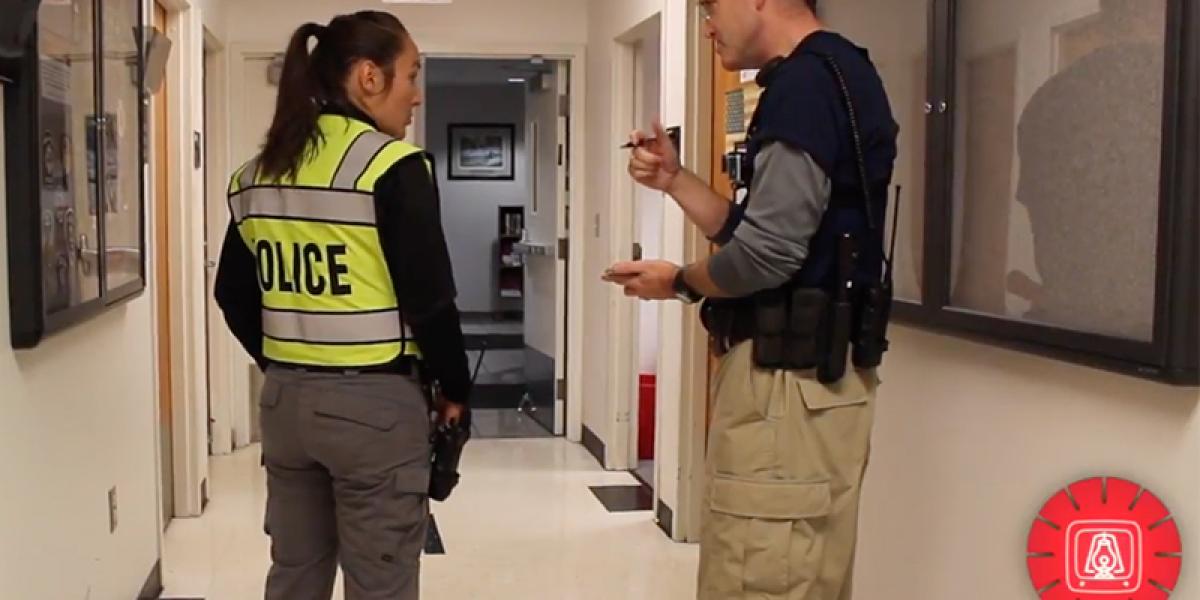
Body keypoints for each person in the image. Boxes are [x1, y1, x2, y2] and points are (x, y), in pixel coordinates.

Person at [604, 0, 898, 598]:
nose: (708, 24)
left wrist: (679, 281)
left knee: (758, 579)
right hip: (821, 393)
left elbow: (766, 258)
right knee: (806, 576)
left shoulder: (804, 85)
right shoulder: (841, 71)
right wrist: (674, 180)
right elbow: (763, 232)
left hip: (785, 398)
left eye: (712, 6)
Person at [213, 11, 470, 600]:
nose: (416, 95)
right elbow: (432, 303)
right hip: (374, 412)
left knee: (295, 576)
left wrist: (285, 357)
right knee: (380, 582)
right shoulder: (390, 166)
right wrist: (454, 389)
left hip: (285, 406)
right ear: (368, 77)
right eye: (410, 76)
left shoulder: (260, 173)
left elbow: (232, 294)